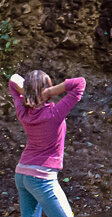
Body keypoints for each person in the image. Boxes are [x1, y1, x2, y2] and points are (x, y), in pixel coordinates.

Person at [8, 71, 86, 217]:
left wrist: (31, 92)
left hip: (22, 174)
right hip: (41, 177)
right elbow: (79, 83)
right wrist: (48, 92)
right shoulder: (54, 114)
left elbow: (13, 81)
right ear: (46, 89)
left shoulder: (23, 113)